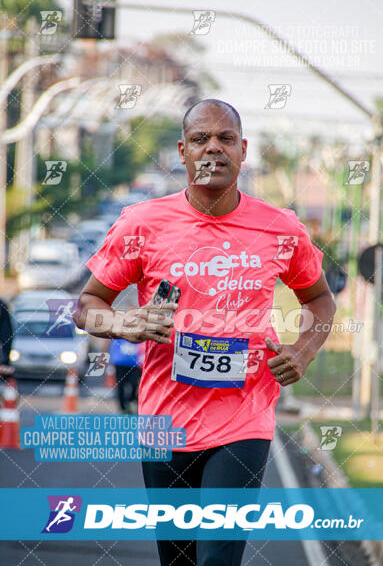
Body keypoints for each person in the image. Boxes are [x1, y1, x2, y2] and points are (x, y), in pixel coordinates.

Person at [74, 99, 336, 566]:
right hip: (164, 422)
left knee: (217, 557)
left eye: (225, 139)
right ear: (183, 151)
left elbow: (319, 299)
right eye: (200, 139)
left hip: (243, 417)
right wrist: (122, 323)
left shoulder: (280, 228)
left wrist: (303, 350)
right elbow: (86, 307)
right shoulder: (142, 224)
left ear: (242, 151)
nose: (213, 148)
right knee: (178, 559)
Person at [108, 337, 142, 414]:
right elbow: (109, 342)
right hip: (119, 362)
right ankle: (123, 408)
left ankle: (130, 400)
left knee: (134, 384)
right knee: (120, 386)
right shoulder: (117, 328)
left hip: (134, 362)